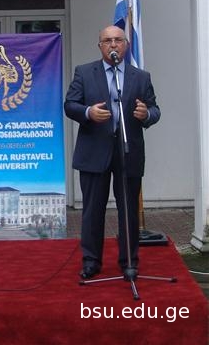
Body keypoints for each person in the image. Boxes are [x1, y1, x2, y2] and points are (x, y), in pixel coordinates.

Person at [64, 25, 160, 280]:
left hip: (128, 151)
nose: (113, 44)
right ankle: (91, 261)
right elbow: (70, 104)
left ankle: (129, 262)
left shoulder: (141, 77)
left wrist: (146, 115)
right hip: (94, 150)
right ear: (100, 46)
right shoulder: (84, 72)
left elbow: (154, 109)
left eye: (118, 40)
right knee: (92, 210)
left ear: (126, 45)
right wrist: (88, 112)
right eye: (107, 41)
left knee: (128, 211)